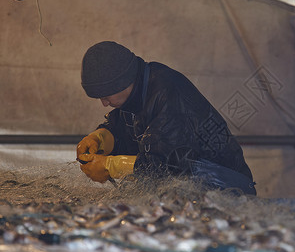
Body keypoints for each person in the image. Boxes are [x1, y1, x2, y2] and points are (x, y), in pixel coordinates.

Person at [76, 41, 256, 195]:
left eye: (106, 96)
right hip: (185, 186)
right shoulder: (135, 95)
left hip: (227, 188)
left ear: (123, 82)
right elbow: (123, 129)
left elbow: (166, 165)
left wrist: (110, 166)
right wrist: (101, 137)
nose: (104, 103)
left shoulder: (168, 92)